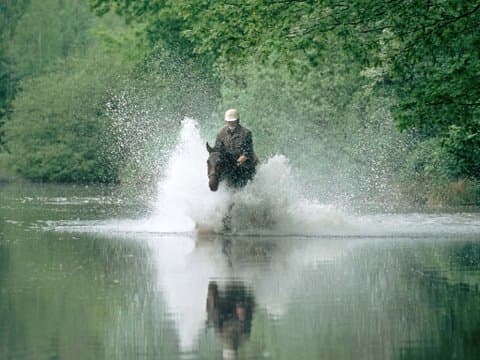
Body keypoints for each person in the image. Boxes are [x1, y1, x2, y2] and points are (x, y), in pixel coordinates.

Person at [212, 109, 258, 186]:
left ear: (237, 120)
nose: (230, 123)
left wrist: (236, 164)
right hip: (228, 163)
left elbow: (247, 153)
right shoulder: (221, 134)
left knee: (245, 175)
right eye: (228, 121)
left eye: (233, 121)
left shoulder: (246, 133)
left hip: (244, 163)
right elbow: (217, 151)